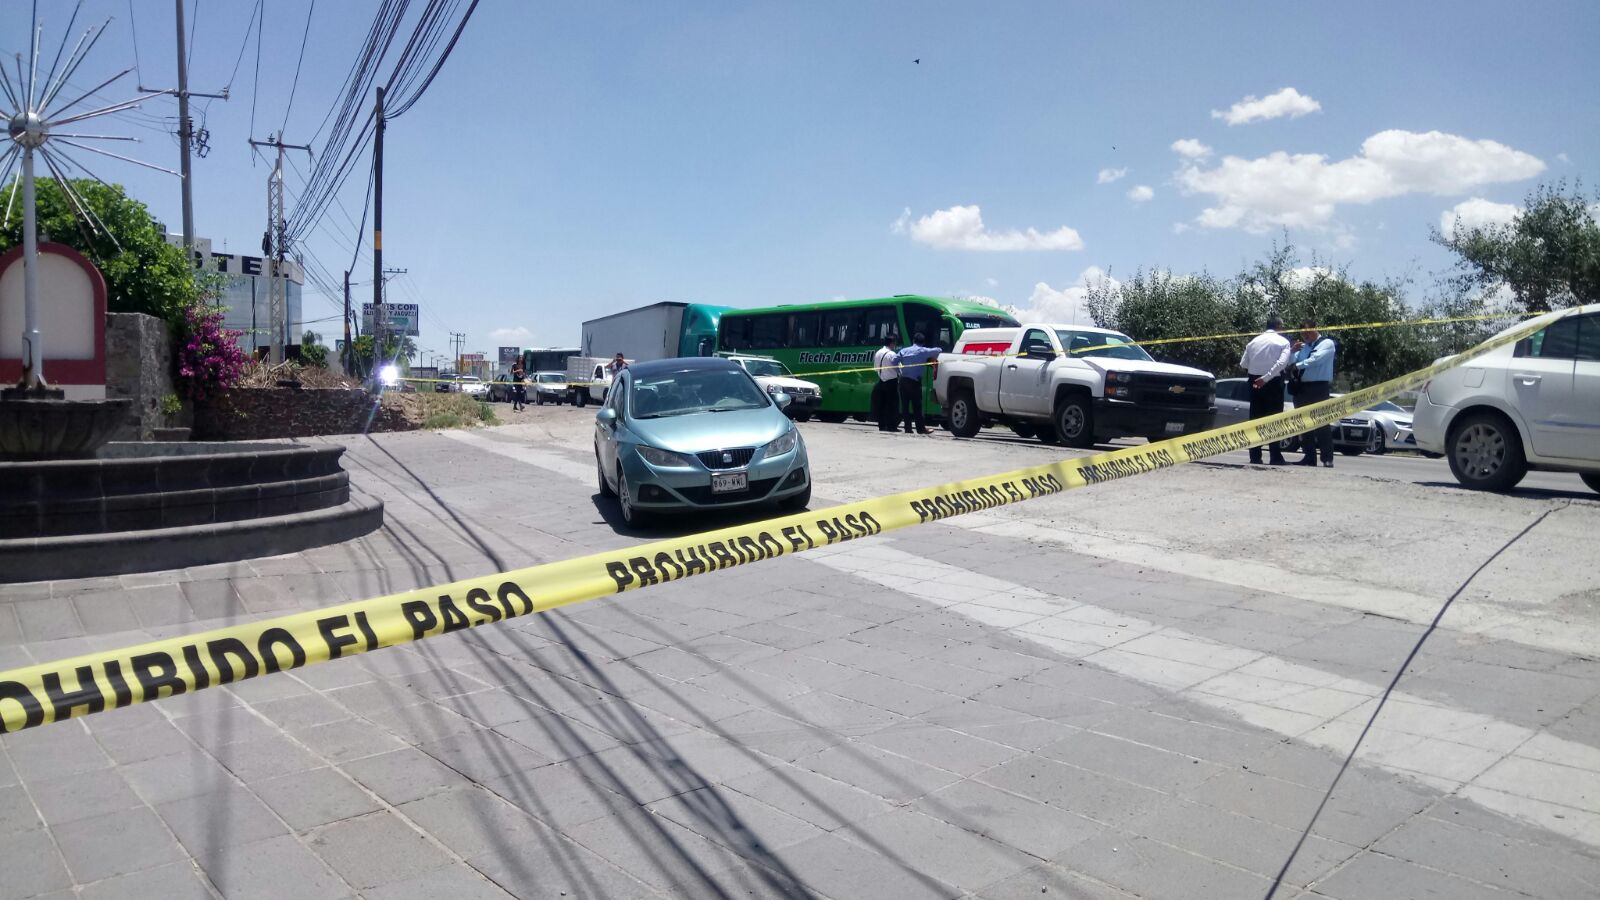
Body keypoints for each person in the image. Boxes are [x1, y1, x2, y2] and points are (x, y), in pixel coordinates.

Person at [1239, 315, 1292, 465]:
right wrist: (1266, 376)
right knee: (1274, 419)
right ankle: (1275, 456)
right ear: (1279, 327)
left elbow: (1243, 364)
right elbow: (1282, 363)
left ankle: (1255, 456)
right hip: (1273, 382)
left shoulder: (1253, 341)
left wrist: (1258, 371)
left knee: (1255, 418)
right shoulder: (1283, 342)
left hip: (1254, 381)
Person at [1291, 322, 1337, 467]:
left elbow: (1316, 360)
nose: (1305, 336)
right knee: (1304, 424)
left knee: (1321, 423)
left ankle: (1327, 458)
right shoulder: (1303, 347)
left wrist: (1296, 366)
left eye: (1308, 332)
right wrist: (1292, 351)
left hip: (1319, 387)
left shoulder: (1327, 343)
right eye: (1303, 333)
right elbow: (1292, 361)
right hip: (1302, 387)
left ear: (1315, 329)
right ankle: (1309, 457)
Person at [894, 332, 942, 435]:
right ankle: (920, 429)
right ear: (923, 342)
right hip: (914, 382)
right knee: (917, 406)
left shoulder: (904, 350)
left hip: (903, 381)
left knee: (905, 406)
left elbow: (894, 361)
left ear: (913, 341)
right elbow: (938, 350)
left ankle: (908, 429)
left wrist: (899, 372)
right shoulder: (923, 351)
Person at [872, 333, 902, 432]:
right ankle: (892, 426)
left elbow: (876, 368)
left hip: (881, 381)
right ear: (892, 343)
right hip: (892, 382)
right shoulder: (892, 354)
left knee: (882, 405)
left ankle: (882, 425)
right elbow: (898, 369)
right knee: (893, 405)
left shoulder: (878, 353)